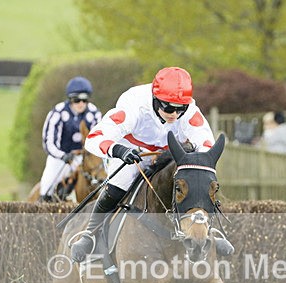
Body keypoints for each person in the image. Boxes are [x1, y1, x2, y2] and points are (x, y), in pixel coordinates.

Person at [72, 66, 232, 263]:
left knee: (198, 179)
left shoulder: (190, 111)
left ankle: (210, 231)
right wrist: (120, 151)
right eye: (168, 108)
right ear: (155, 99)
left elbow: (206, 144)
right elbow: (95, 138)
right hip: (132, 152)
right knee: (119, 184)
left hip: (170, 154)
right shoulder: (134, 106)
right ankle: (90, 234)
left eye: (180, 109)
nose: (174, 114)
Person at [38, 76, 102, 202]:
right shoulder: (58, 112)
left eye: (84, 100)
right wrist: (63, 156)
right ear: (70, 100)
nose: (81, 104)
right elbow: (48, 142)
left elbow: (100, 137)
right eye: (76, 100)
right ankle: (43, 207)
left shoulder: (94, 113)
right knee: (46, 187)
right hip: (61, 158)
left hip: (85, 157)